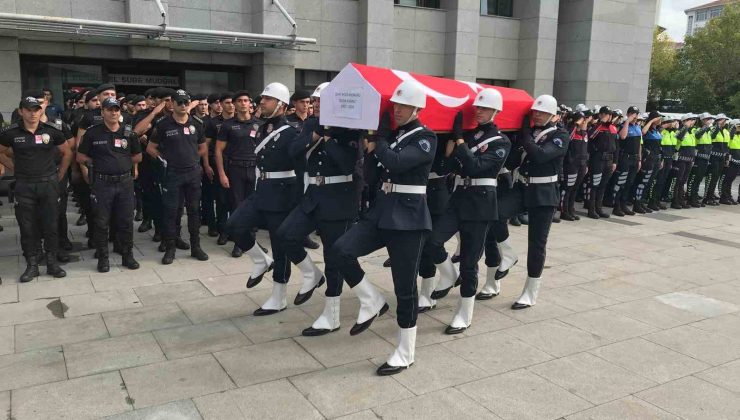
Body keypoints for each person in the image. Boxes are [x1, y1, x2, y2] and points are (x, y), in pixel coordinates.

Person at [332, 80, 436, 376]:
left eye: (403, 105)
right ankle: (372, 299)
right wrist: (372, 146)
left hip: (409, 218)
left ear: (417, 108)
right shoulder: (395, 136)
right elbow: (374, 170)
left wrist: (380, 140)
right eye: (395, 106)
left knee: (404, 288)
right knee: (341, 251)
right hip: (382, 211)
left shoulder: (425, 137)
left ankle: (406, 351)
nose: (398, 110)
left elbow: (397, 162)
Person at [277, 86, 364, 335]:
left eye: (318, 100)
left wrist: (329, 138)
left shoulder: (349, 127)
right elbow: (293, 150)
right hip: (313, 195)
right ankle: (310, 274)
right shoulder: (312, 124)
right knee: (286, 235)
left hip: (339, 198)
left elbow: (348, 163)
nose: (313, 104)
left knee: (333, 258)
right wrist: (315, 136)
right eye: (312, 100)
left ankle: (332, 315)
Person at [423, 88, 510, 334]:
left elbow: (475, 166)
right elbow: (450, 165)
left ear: (495, 111)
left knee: (470, 262)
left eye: (483, 108)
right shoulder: (470, 137)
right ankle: (449, 275)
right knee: (432, 241)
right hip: (458, 198)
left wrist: (460, 140)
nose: (478, 112)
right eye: (477, 108)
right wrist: (453, 141)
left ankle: (465, 313)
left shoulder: (502, 141)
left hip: (481, 204)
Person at [223, 82, 300, 315]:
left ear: (281, 105)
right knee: (234, 225)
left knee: (280, 247)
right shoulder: (262, 127)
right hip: (261, 189)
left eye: (267, 99)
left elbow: (300, 167)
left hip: (282, 193)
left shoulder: (291, 132)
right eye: (263, 98)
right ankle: (260, 260)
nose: (261, 102)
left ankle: (279, 297)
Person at [0, 95, 72, 282]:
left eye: (36, 109)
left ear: (41, 111)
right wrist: (14, 168)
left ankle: (52, 263)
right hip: (24, 185)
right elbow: (1, 151)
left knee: (51, 225)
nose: (33, 113)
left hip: (48, 184)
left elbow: (67, 152)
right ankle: (32, 265)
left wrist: (60, 175)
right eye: (29, 110)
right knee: (27, 226)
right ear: (21, 111)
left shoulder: (52, 131)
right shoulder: (11, 133)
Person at [510, 94, 569, 309]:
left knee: (536, 243)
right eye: (535, 111)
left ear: (553, 116)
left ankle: (530, 291)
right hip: (522, 187)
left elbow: (541, 156)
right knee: (494, 214)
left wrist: (525, 136)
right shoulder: (531, 133)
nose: (537, 115)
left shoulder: (561, 135)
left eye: (542, 112)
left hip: (544, 192)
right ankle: (506, 256)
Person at [77, 97, 142, 272]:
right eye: (110, 109)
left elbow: (137, 156)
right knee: (101, 222)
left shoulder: (129, 133)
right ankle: (103, 258)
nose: (114, 113)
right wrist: (94, 164)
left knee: (126, 221)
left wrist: (123, 163)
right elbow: (81, 156)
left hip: (124, 183)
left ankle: (127, 256)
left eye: (116, 109)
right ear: (102, 112)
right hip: (102, 184)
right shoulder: (92, 133)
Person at [146, 89, 209, 264]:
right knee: (171, 212)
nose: (183, 105)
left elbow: (203, 147)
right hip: (172, 174)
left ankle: (195, 247)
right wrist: (164, 160)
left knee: (194, 211)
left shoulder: (196, 123)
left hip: (193, 173)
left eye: (186, 102)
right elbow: (151, 148)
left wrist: (193, 158)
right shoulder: (163, 124)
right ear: (172, 104)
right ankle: (171, 248)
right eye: (179, 102)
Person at [215, 90, 262, 258]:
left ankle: (252, 242)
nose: (243, 103)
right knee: (237, 207)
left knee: (255, 207)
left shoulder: (259, 124)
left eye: (246, 100)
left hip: (255, 169)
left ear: (250, 104)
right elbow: (218, 151)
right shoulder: (228, 125)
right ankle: (239, 243)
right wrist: (222, 174)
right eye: (240, 101)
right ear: (234, 104)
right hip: (235, 170)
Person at [586, 106, 617, 219]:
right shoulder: (596, 127)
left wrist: (615, 161)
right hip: (598, 159)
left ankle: (599, 208)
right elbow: (590, 137)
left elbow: (616, 146)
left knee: (603, 185)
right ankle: (591, 209)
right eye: (605, 114)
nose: (608, 116)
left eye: (609, 114)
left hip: (609, 159)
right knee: (595, 185)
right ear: (600, 115)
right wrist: (600, 124)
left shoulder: (613, 128)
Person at [610, 106, 641, 216]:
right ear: (628, 114)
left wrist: (640, 159)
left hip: (635, 158)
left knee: (629, 183)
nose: (635, 116)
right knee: (621, 182)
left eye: (636, 114)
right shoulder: (622, 125)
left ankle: (624, 204)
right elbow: (623, 136)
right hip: (625, 158)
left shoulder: (638, 127)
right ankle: (616, 206)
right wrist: (627, 120)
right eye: (632, 113)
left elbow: (639, 145)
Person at [559, 111, 589, 221]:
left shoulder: (584, 133)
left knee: (575, 188)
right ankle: (563, 211)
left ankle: (571, 209)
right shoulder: (570, 130)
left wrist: (586, 164)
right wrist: (575, 125)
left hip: (581, 164)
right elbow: (567, 139)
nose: (585, 122)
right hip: (571, 164)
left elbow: (586, 149)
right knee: (567, 188)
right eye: (582, 120)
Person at [687, 113, 715, 207]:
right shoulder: (697, 129)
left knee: (699, 179)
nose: (709, 120)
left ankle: (694, 197)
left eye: (710, 119)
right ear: (702, 120)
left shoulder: (708, 131)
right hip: (698, 158)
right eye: (707, 119)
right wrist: (706, 126)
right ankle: (690, 198)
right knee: (694, 179)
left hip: (705, 158)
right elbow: (698, 136)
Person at [704, 113, 730, 205]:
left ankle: (711, 196)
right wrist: (718, 126)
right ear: (718, 120)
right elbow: (712, 136)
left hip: (721, 157)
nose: (724, 122)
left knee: (716, 177)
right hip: (714, 157)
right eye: (722, 120)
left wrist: (727, 158)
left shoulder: (726, 131)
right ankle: (707, 197)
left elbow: (727, 146)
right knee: (712, 177)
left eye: (725, 120)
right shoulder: (713, 128)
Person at [720, 119, 740, 204]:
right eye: (738, 126)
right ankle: (724, 197)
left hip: (737, 160)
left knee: (731, 179)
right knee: (727, 179)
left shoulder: (738, 136)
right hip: (730, 160)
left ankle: (729, 196)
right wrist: (734, 128)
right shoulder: (729, 134)